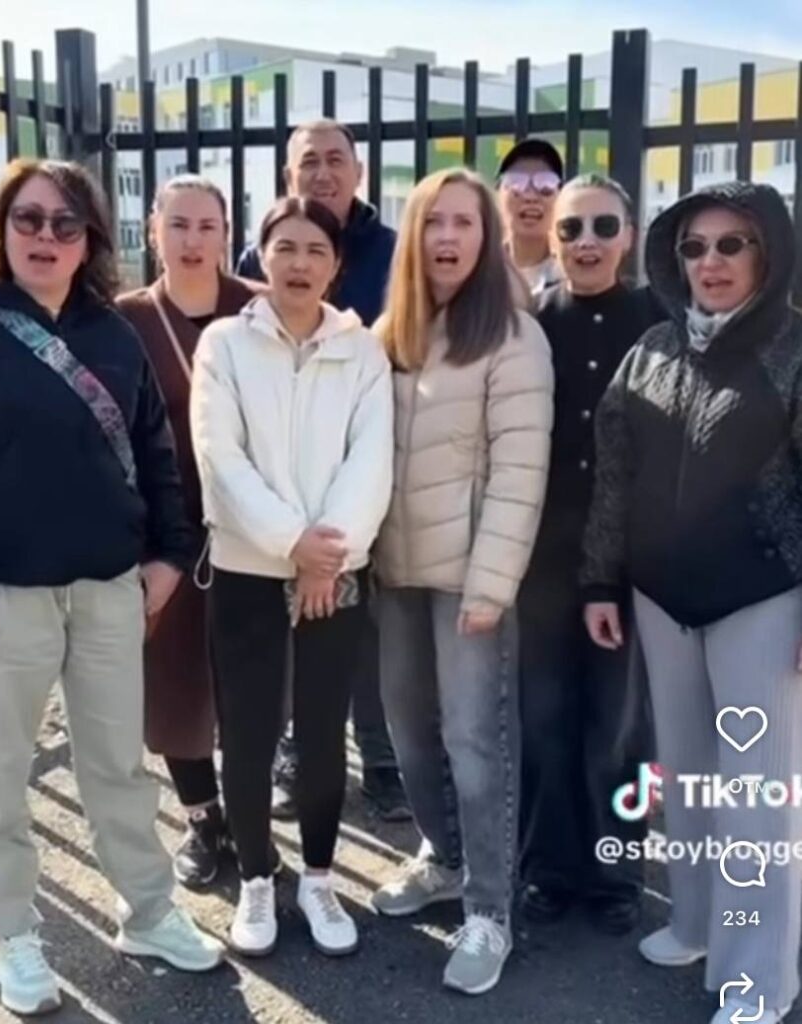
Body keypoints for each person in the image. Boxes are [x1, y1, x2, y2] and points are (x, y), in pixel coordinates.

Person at [0, 158, 224, 1017]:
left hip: (109, 587)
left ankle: (149, 912)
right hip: (3, 597)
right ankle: (12, 932)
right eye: (28, 219)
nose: (45, 237)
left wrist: (169, 558)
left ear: (89, 239)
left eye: (65, 223)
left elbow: (158, 451)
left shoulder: (115, 334)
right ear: (2, 228)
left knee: (119, 766)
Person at [583, 181, 802, 1024]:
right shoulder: (653, 349)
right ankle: (698, 923)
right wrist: (601, 580)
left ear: (768, 252)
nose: (710, 262)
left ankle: (759, 980)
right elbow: (615, 476)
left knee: (757, 797)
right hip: (660, 600)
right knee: (689, 778)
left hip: (763, 600)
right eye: (695, 247)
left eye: (731, 244)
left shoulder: (793, 349)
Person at [191, 196, 393, 958]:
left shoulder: (362, 350)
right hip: (248, 566)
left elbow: (372, 461)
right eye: (285, 248)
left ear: (337, 264)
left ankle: (317, 876)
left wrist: (325, 554)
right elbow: (221, 458)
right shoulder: (225, 344)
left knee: (321, 732)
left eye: (316, 250)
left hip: (334, 573)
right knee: (246, 732)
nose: (300, 263)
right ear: (260, 256)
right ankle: (255, 877)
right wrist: (292, 543)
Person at [371, 168, 554, 995]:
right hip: (396, 574)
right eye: (432, 222)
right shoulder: (392, 335)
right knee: (412, 736)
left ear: (486, 238)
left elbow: (519, 472)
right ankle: (444, 860)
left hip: (470, 581)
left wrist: (491, 585)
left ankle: (490, 909)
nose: (447, 237)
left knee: (477, 746)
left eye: (464, 223)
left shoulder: (512, 337)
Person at [237, 119, 406, 821]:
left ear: (359, 173)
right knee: (287, 622)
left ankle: (382, 758)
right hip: (285, 472)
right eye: (309, 162)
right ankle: (294, 754)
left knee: (367, 625)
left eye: (337, 160)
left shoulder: (393, 251)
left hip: (372, 458)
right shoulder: (262, 249)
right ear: (289, 176)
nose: (324, 173)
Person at [517, 174, 662, 935]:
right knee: (543, 719)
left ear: (629, 236)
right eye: (571, 228)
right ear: (552, 238)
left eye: (604, 226)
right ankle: (548, 867)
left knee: (619, 726)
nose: (587, 242)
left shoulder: (661, 322)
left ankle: (616, 871)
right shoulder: (529, 325)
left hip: (630, 562)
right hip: (542, 559)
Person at [118, 174, 265, 889]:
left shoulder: (259, 307)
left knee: (251, 682)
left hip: (255, 529)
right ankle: (203, 819)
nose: (193, 240)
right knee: (174, 680)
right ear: (155, 231)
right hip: (166, 534)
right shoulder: (126, 319)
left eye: (208, 226)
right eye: (178, 224)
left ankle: (249, 815)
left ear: (227, 234)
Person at [496, 137, 563, 298]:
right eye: (516, 184)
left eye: (545, 185)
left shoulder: (571, 273)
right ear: (497, 195)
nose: (530, 197)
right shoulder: (476, 270)